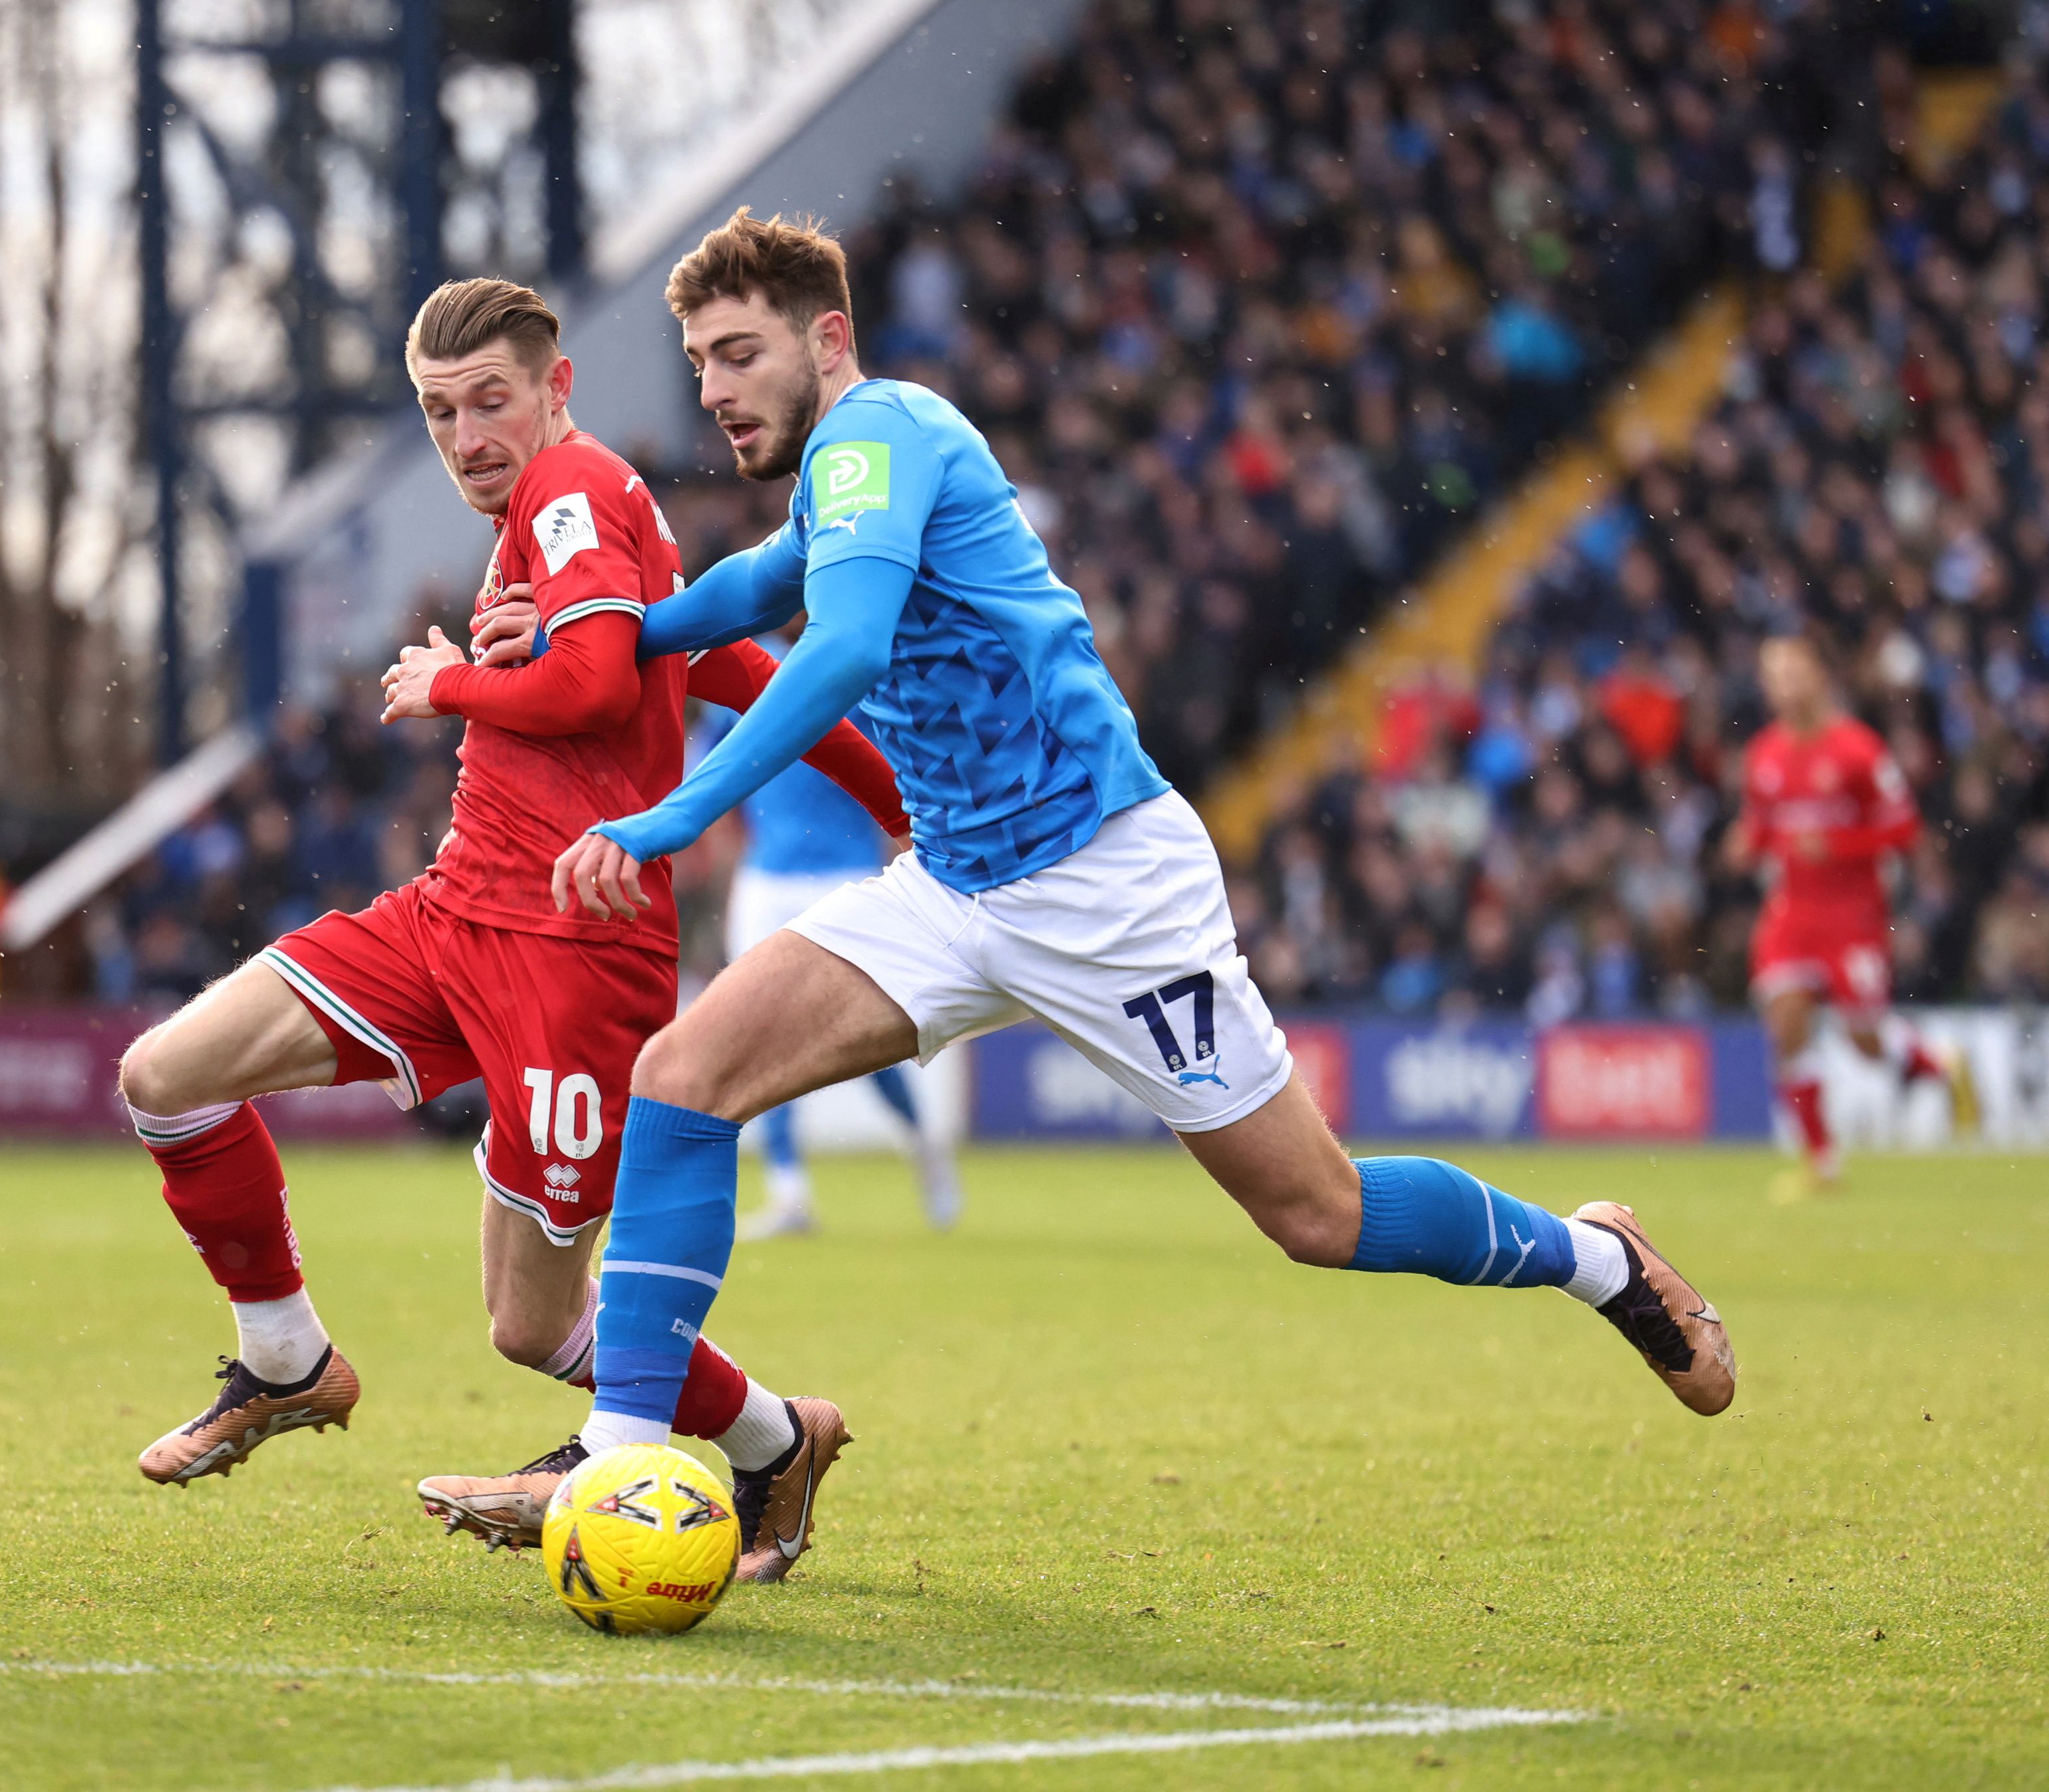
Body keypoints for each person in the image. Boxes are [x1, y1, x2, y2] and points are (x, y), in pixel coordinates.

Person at [439, 210, 1738, 1577]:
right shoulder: (836, 475)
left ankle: (1595, 1258)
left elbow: (842, 648)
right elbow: (753, 588)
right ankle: (620, 1459)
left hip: (1103, 885)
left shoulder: (882, 433)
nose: (711, 387)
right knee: (683, 1078)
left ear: (827, 340)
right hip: (953, 885)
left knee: (1319, 1215)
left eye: (737, 353)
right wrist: (604, 632)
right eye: (699, 360)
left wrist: (670, 815)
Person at [115, 279, 909, 1582]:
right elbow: (722, 665)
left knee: (530, 1326)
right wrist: (891, 801)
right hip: (452, 912)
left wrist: (453, 685)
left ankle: (774, 1441)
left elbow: (592, 684)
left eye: (490, 401)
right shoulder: (571, 513)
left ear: (557, 388)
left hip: (573, 952)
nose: (466, 436)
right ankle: (285, 1359)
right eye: (440, 412)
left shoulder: (571, 488)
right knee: (169, 1076)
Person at [699, 642, 964, 1237]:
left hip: (841, 876)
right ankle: (789, 1191)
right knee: (761, 1034)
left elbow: (896, 773)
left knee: (862, 1037)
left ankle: (923, 1143)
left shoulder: (848, 662)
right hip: (768, 880)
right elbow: (715, 772)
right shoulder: (747, 665)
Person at [1728, 636, 1975, 1199]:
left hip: (1852, 913)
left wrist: (1838, 845)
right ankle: (1821, 1161)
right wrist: (1746, 843)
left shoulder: (1859, 749)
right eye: (1773, 675)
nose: (1783, 685)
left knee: (1862, 1036)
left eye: (1793, 671)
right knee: (1785, 1022)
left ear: (1819, 675)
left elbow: (1904, 828)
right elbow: (1763, 826)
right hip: (1791, 911)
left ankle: (1942, 1066)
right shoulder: (1763, 753)